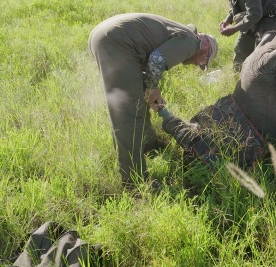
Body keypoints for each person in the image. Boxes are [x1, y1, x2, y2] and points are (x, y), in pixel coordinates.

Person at [88, 13, 218, 186]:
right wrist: (152, 87)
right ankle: (134, 181)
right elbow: (156, 60)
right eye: (203, 62)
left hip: (105, 35)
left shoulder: (181, 32)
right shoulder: (192, 41)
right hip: (118, 42)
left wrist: (150, 89)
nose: (197, 64)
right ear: (206, 47)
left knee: (135, 99)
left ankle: (149, 146)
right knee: (129, 113)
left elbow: (148, 61)